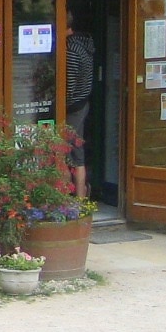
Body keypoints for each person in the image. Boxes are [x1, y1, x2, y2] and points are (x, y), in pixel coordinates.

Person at [65, 12, 95, 199]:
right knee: (76, 151)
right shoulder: (83, 43)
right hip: (81, 103)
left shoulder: (70, 50)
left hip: (72, 107)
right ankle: (80, 197)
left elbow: (68, 86)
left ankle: (77, 197)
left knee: (69, 153)